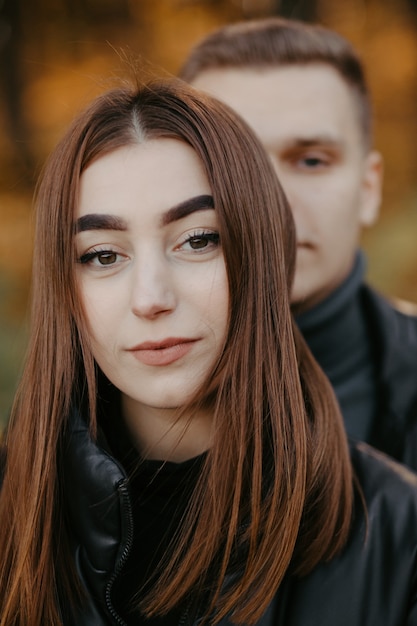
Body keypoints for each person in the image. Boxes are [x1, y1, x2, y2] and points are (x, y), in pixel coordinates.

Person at [1, 79, 417, 626]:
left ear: (262, 252)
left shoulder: (398, 531)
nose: (151, 299)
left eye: (198, 240)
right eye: (103, 255)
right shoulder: (12, 511)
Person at [179, 17, 417, 468]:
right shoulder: (80, 417)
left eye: (310, 161)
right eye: (230, 161)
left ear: (369, 189)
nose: (274, 203)